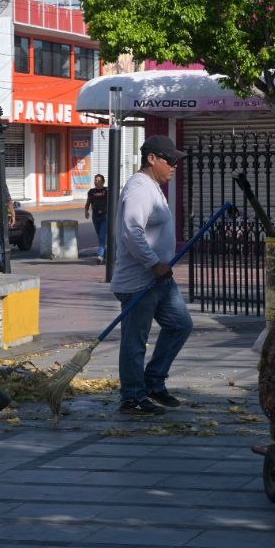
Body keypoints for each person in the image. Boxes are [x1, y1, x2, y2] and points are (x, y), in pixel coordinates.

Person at [110, 135, 191, 416]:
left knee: (180, 325)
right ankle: (132, 397)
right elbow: (131, 231)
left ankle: (153, 382)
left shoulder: (153, 187)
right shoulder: (138, 189)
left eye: (176, 161)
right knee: (135, 341)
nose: (174, 166)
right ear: (152, 159)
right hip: (139, 281)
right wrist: (154, 263)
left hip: (159, 279)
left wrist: (159, 267)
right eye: (170, 160)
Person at [84, 174, 109, 264]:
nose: (96, 182)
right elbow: (88, 202)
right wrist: (86, 211)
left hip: (105, 216)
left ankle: (100, 256)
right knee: (100, 236)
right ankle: (106, 255)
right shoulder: (91, 192)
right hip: (95, 217)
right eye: (95, 180)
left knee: (102, 236)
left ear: (103, 182)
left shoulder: (107, 191)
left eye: (98, 180)